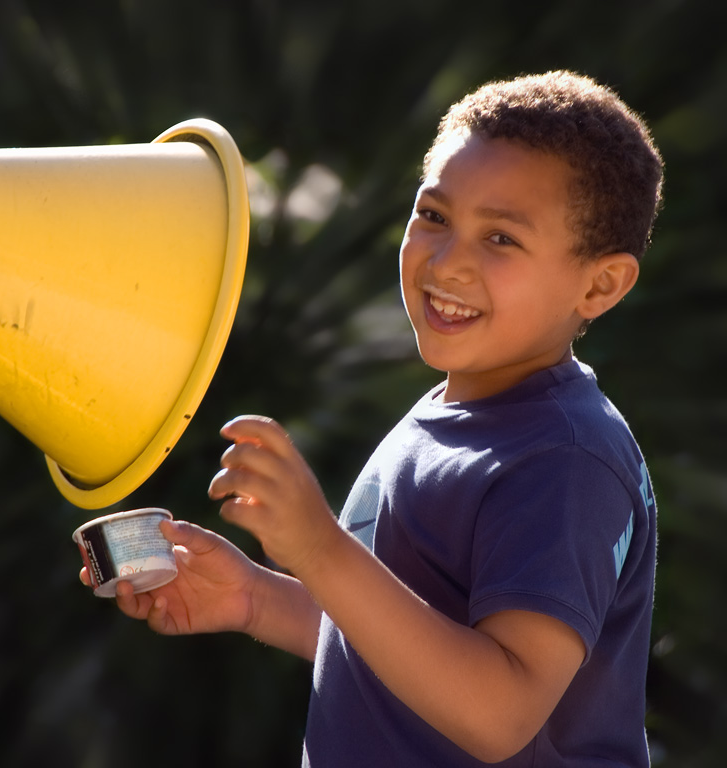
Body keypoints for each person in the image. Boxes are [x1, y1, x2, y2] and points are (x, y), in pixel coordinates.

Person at [81, 70, 664, 766]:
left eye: (501, 239)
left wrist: (321, 547)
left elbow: (498, 711)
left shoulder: (566, 459)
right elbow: (409, 646)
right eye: (435, 216)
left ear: (600, 284)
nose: (447, 263)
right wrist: (258, 599)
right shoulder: (451, 410)